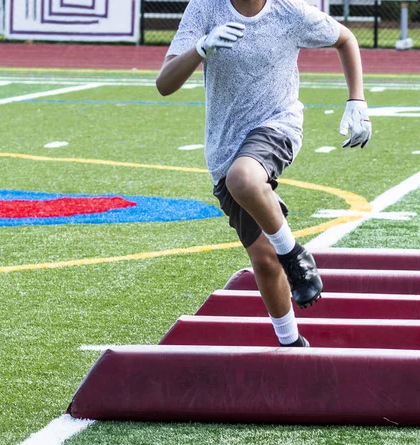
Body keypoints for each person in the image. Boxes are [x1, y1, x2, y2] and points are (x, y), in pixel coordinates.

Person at [156, 0, 371, 347]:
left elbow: (345, 39)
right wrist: (200, 48)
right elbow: (164, 84)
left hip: (278, 125)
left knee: (243, 179)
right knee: (264, 258)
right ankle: (291, 344)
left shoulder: (291, 11)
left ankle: (296, 256)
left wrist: (356, 100)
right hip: (224, 146)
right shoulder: (205, 8)